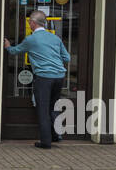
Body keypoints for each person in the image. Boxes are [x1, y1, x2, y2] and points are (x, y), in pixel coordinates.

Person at [5, 10, 71, 148]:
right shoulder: (55, 38)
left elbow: (15, 51)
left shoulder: (31, 39)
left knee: (43, 109)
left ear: (33, 23)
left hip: (44, 77)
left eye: (29, 22)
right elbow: (67, 58)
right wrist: (53, 59)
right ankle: (56, 135)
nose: (29, 23)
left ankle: (46, 142)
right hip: (59, 77)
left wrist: (7, 46)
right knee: (52, 107)